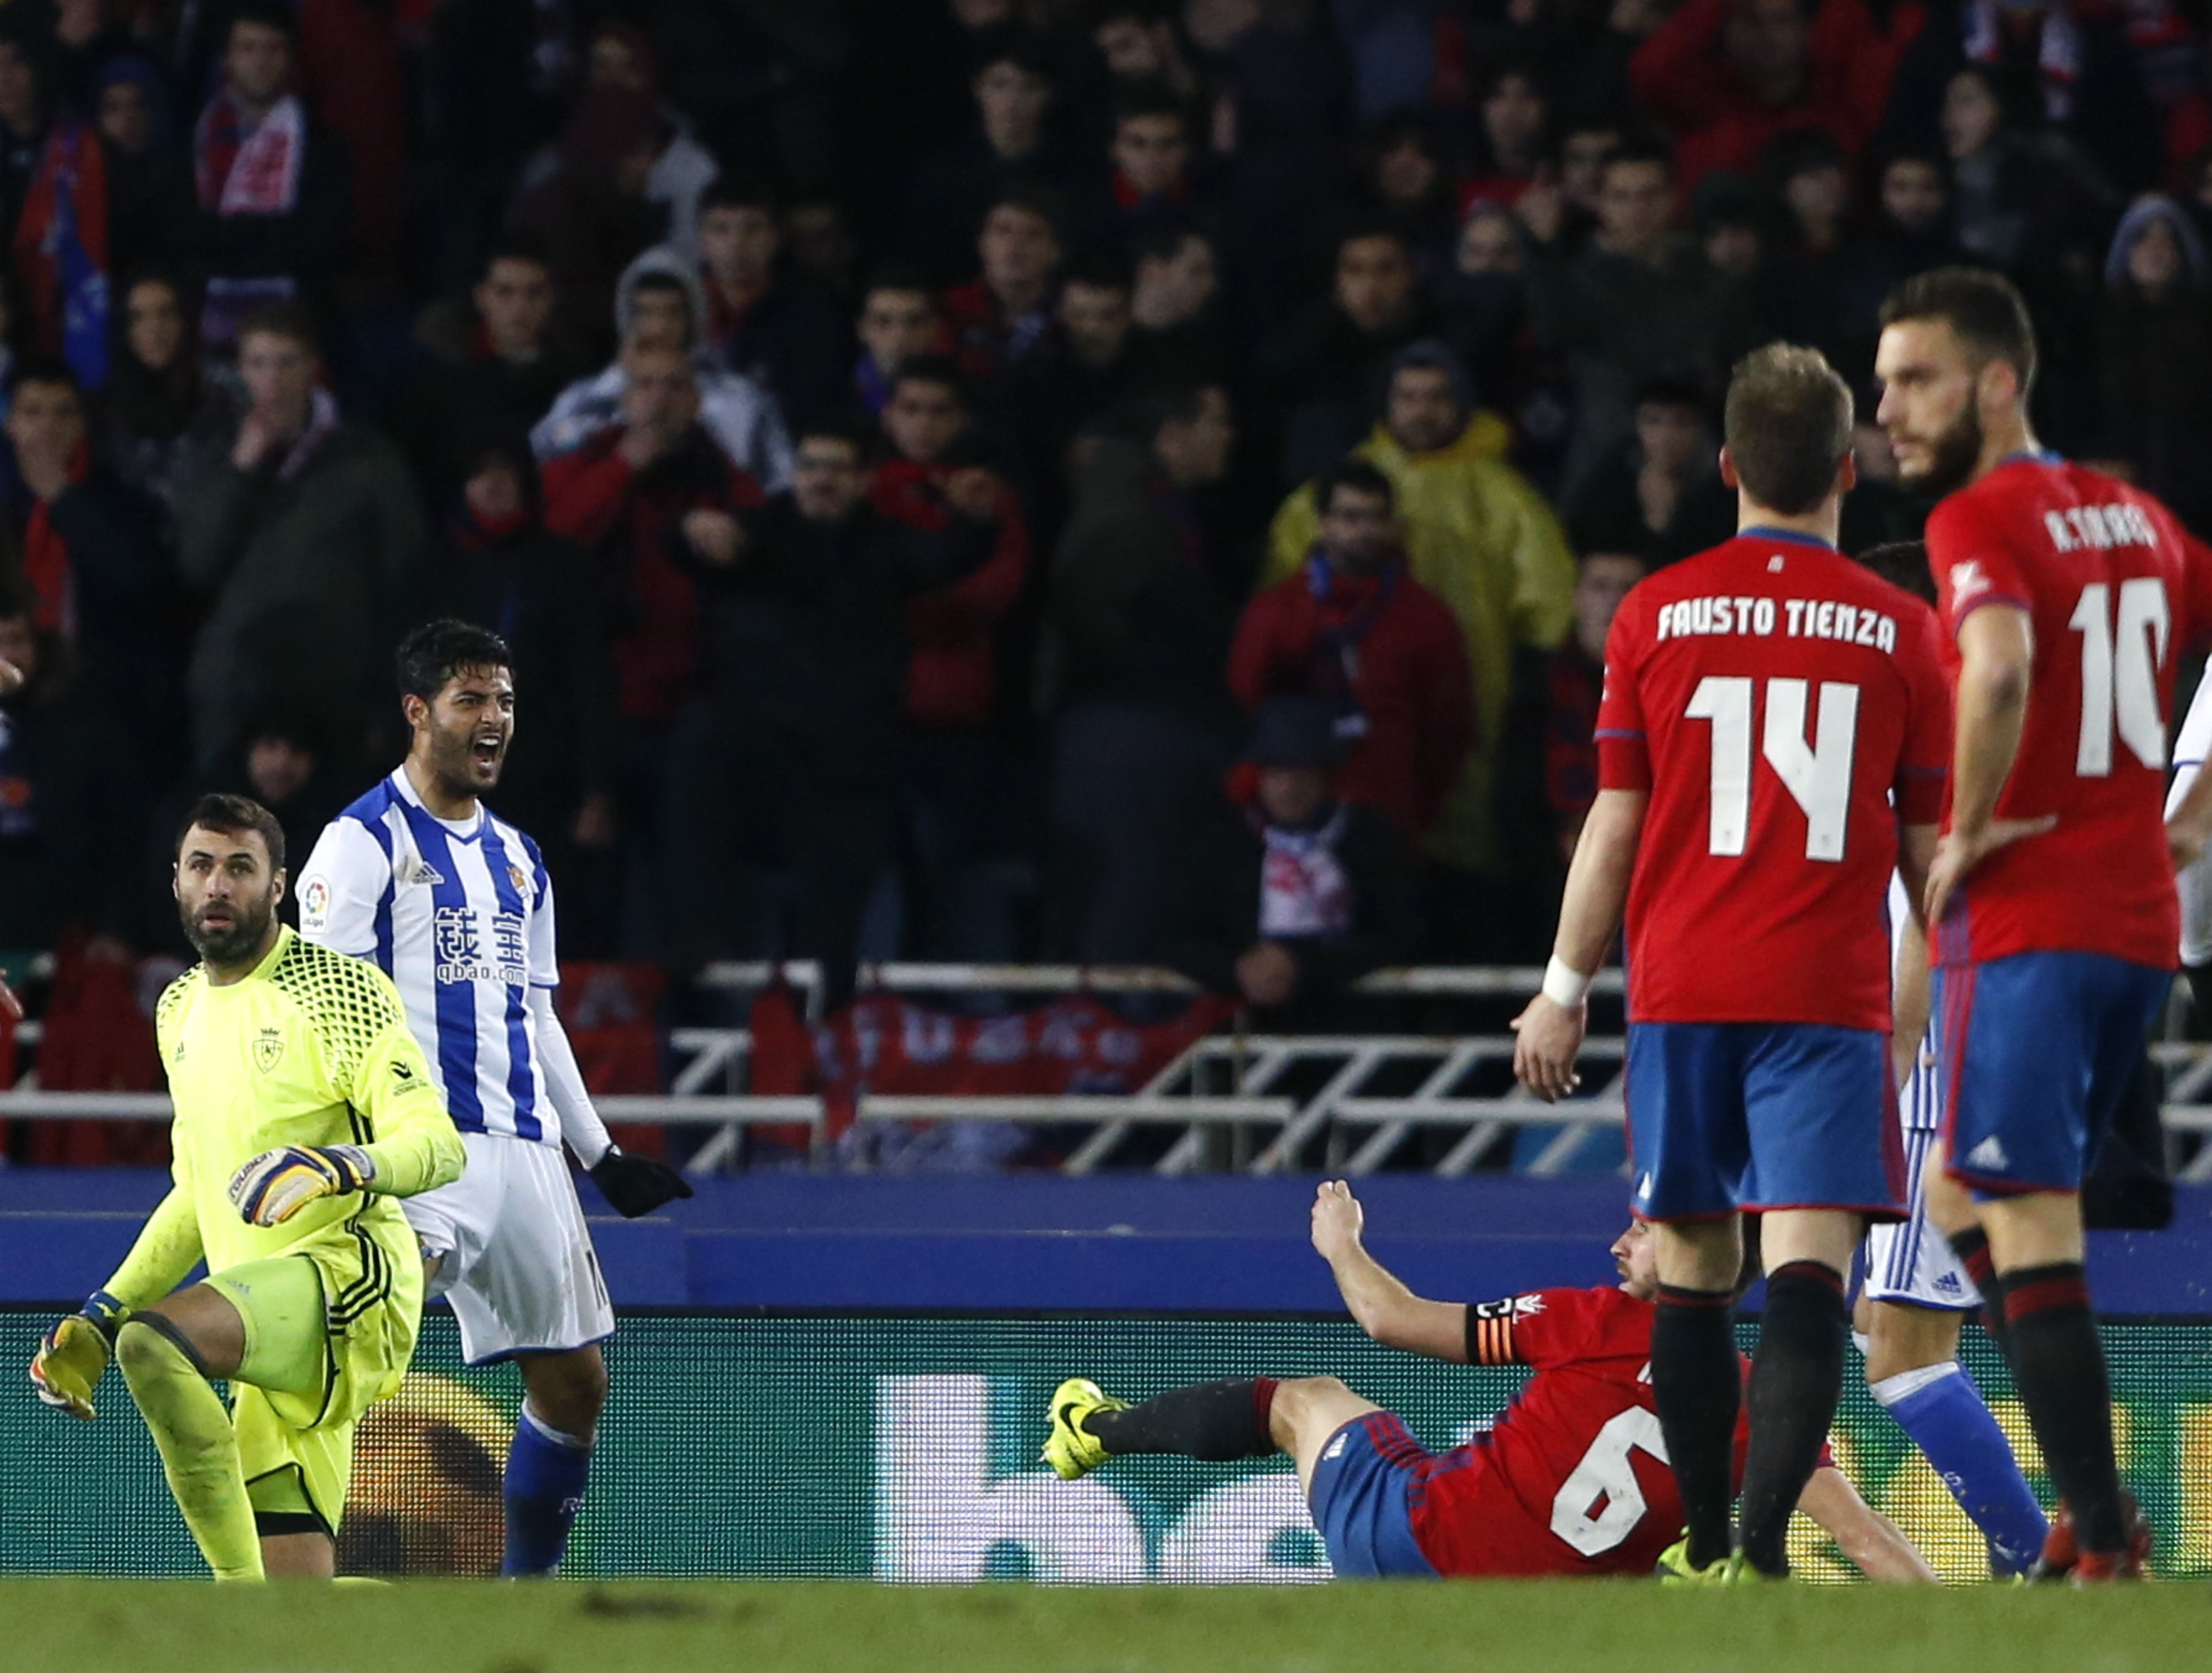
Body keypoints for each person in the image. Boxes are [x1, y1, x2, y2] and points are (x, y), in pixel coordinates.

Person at [1513, 344, 1953, 1580]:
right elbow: (1931, 860)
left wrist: (1561, 988)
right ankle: (1762, 1547)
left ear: (1724, 468)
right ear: (1848, 472)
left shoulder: (1654, 611)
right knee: (1812, 1275)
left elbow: (1614, 821)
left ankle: (1706, 1534)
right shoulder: (1904, 629)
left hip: (1685, 990)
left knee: (1697, 1277)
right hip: (1826, 996)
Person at [1875, 266, 2212, 1581]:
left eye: (1915, 380)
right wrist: (2181, 822)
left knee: (2021, 1223)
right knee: (1961, 1189)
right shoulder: (2137, 519)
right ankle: (2095, 1509)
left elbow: (2002, 664)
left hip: (2033, 923)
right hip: (2131, 920)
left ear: (1997, 381)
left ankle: (2104, 1542)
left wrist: (1969, 826)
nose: (1889, 409)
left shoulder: (1979, 516)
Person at [296, 621, 692, 1576]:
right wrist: (347, 1147)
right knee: (340, 1360)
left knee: (576, 1384)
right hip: (415, 1150)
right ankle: (273, 1589)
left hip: (522, 1151)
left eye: (505, 703)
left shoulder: (521, 858)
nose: (493, 721)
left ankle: (525, 1600)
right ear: (417, 710)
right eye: (471, 701)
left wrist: (597, 1153)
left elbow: (538, 1015)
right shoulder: (360, 842)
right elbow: (315, 1004)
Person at [1044, 1180, 1932, 1582]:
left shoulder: (1590, 1319)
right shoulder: (1759, 1396)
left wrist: (1340, 1244)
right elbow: (1862, 1540)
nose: (1618, 1242)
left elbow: (1389, 1320)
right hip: (1553, 1632)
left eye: (1642, 1225)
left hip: (1421, 1547)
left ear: (1701, 1252)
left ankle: (1091, 1429)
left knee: (1306, 1399)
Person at [27, 793, 464, 1580]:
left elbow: (437, 1145)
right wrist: (97, 1315)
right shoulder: (179, 1009)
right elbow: (197, 1194)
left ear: (278, 886)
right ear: (177, 883)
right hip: (267, 1312)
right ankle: (452, 1639)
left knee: (154, 1346)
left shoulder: (338, 992)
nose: (219, 886)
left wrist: (338, 1166)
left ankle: (230, 1598)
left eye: (240, 868)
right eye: (202, 867)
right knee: (297, 1626)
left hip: (349, 1280)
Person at [1849, 539, 2051, 1580]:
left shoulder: (1951, 738)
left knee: (1897, 1344)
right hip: (1966, 1057)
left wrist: (1884, 1076)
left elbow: (1932, 913)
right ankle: (2040, 1554)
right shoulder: (1950, 732)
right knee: (1883, 1327)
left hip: (1936, 1071)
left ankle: (2039, 1557)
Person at [1267, 343, 1571, 957]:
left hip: (1472, 714)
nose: (1422, 412)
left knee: (1461, 876)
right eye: (1408, 396)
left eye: (1436, 397)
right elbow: (1282, 591)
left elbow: (1550, 608)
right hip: (1354, 729)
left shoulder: (1506, 498)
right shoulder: (1343, 485)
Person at [174, 302, 423, 777]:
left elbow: (405, 582)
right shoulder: (213, 454)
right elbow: (195, 563)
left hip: (333, 688)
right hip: (234, 689)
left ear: (312, 365)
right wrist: (242, 474)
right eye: (259, 363)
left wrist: (383, 697)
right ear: (241, 370)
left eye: (287, 361)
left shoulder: (367, 459)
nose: (273, 379)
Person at [1042, 385, 1240, 963]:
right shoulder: (1129, 516)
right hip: (1127, 729)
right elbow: (1099, 629)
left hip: (1131, 725)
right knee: (1127, 898)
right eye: (1217, 422)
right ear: (1174, 434)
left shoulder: (1151, 502)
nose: (1229, 436)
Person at [1230, 461, 1472, 849]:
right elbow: (1243, 708)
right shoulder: (1276, 611)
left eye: (1376, 518)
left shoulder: (1427, 617)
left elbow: (1447, 728)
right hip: (1287, 825)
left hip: (1388, 818)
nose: (1364, 531)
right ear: (1322, 522)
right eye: (1349, 517)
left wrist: (1418, 813)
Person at [1164, 697, 1418, 1021]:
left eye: (1301, 773)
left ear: (1325, 776)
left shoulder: (1367, 839)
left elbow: (1397, 935)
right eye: (1276, 773)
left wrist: (1303, 968)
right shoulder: (1226, 844)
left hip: (1349, 1030)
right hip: (1246, 1030)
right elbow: (1176, 938)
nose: (1288, 788)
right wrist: (1239, 968)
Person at [532, 247, 793, 493]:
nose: (659, 328)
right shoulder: (588, 398)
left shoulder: (741, 399)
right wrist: (617, 381)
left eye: (673, 313)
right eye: (646, 313)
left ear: (694, 318)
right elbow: (543, 458)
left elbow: (782, 483)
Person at [189, 1, 351, 349]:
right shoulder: (196, 139)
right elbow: (185, 236)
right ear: (227, 60)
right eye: (247, 48)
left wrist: (226, 237)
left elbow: (317, 243)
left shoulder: (326, 146)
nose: (261, 62)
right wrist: (272, 233)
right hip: (204, 332)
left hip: (301, 327)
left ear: (291, 58)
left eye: (273, 49)